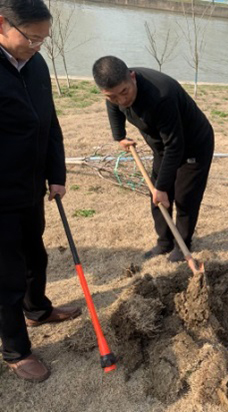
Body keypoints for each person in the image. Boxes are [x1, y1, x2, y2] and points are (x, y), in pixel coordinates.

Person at [0, 0, 82, 383]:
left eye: (43, 39)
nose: (37, 46)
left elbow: (49, 122)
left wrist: (56, 173)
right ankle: (15, 350)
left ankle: (37, 310)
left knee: (37, 255)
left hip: (31, 188)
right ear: (2, 24)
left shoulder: (35, 64)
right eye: (32, 38)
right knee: (7, 275)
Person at [92, 56, 215, 262]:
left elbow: (175, 146)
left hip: (193, 145)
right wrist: (119, 135)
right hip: (164, 148)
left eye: (124, 92)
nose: (121, 100)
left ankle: (182, 245)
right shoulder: (115, 90)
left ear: (132, 77)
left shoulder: (161, 95)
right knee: (156, 195)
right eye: (112, 96)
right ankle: (164, 242)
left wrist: (163, 187)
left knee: (185, 198)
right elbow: (113, 106)